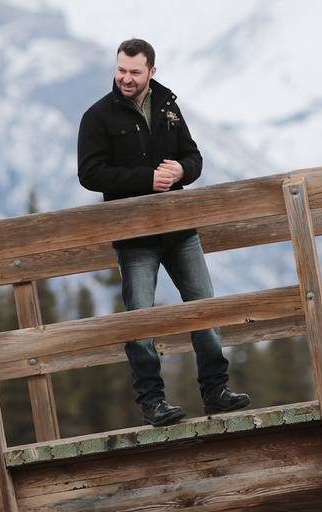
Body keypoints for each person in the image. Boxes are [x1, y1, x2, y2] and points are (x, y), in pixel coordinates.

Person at [77, 38, 250, 426]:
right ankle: (153, 402)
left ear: (151, 72)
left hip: (179, 227)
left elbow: (194, 157)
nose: (126, 77)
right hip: (134, 234)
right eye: (121, 69)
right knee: (140, 319)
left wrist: (182, 172)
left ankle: (216, 391)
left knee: (203, 307)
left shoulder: (169, 106)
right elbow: (89, 174)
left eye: (135, 72)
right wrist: (146, 179)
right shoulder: (97, 117)